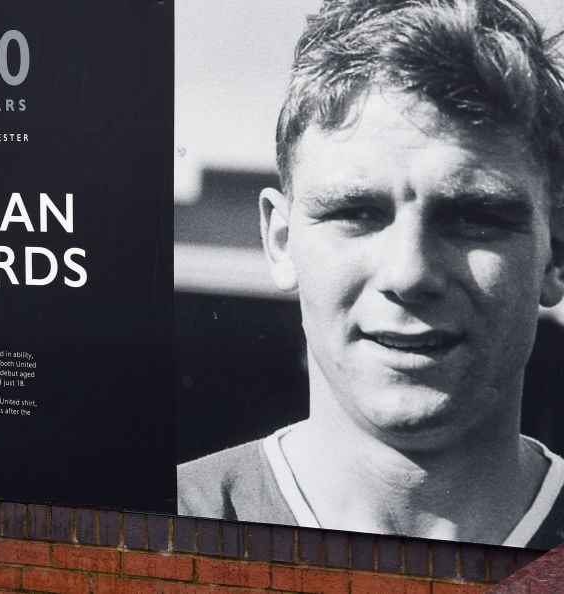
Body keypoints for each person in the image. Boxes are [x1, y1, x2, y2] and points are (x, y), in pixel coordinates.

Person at [178, 0, 564, 548]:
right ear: (281, 241)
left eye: (473, 219)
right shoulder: (145, 531)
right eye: (356, 213)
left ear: (558, 253)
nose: (409, 274)